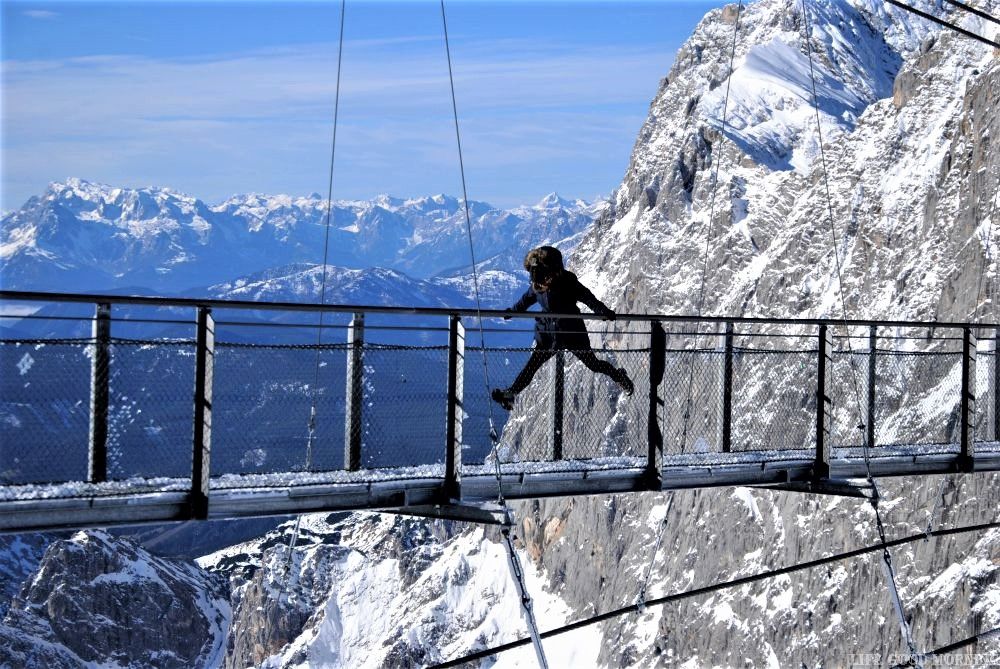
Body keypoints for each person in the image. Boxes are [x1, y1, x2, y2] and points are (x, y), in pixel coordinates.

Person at [491, 246, 634, 410]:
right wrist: (512, 312)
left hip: (571, 333)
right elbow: (525, 301)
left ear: (554, 272)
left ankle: (619, 376)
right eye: (538, 281)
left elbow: (587, 297)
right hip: (548, 335)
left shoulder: (568, 282)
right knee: (532, 366)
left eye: (544, 280)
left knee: (593, 364)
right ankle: (511, 394)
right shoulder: (537, 286)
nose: (541, 284)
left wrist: (603, 311)